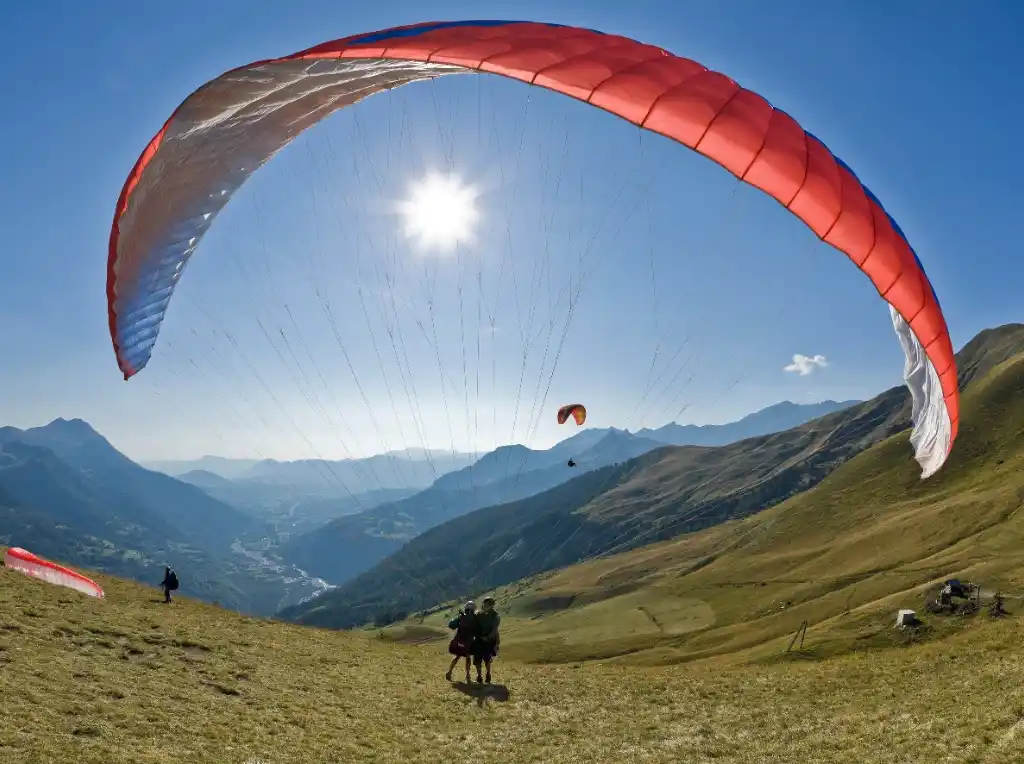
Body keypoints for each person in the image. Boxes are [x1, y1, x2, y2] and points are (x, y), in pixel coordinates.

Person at [445, 601, 477, 682]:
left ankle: (449, 672)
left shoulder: (461, 616)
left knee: (457, 656)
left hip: (459, 640)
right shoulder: (475, 617)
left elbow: (451, 624)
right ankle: (468, 676)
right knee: (468, 657)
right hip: (469, 642)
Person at [472, 596, 501, 684]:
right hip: (478, 639)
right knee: (477, 659)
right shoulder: (478, 614)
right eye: (485, 603)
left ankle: (488, 675)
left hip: (489, 640)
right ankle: (479, 676)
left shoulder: (495, 615)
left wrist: (489, 638)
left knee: (487, 659)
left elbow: (494, 629)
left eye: (488, 604)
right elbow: (475, 627)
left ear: (491, 605)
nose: (486, 605)